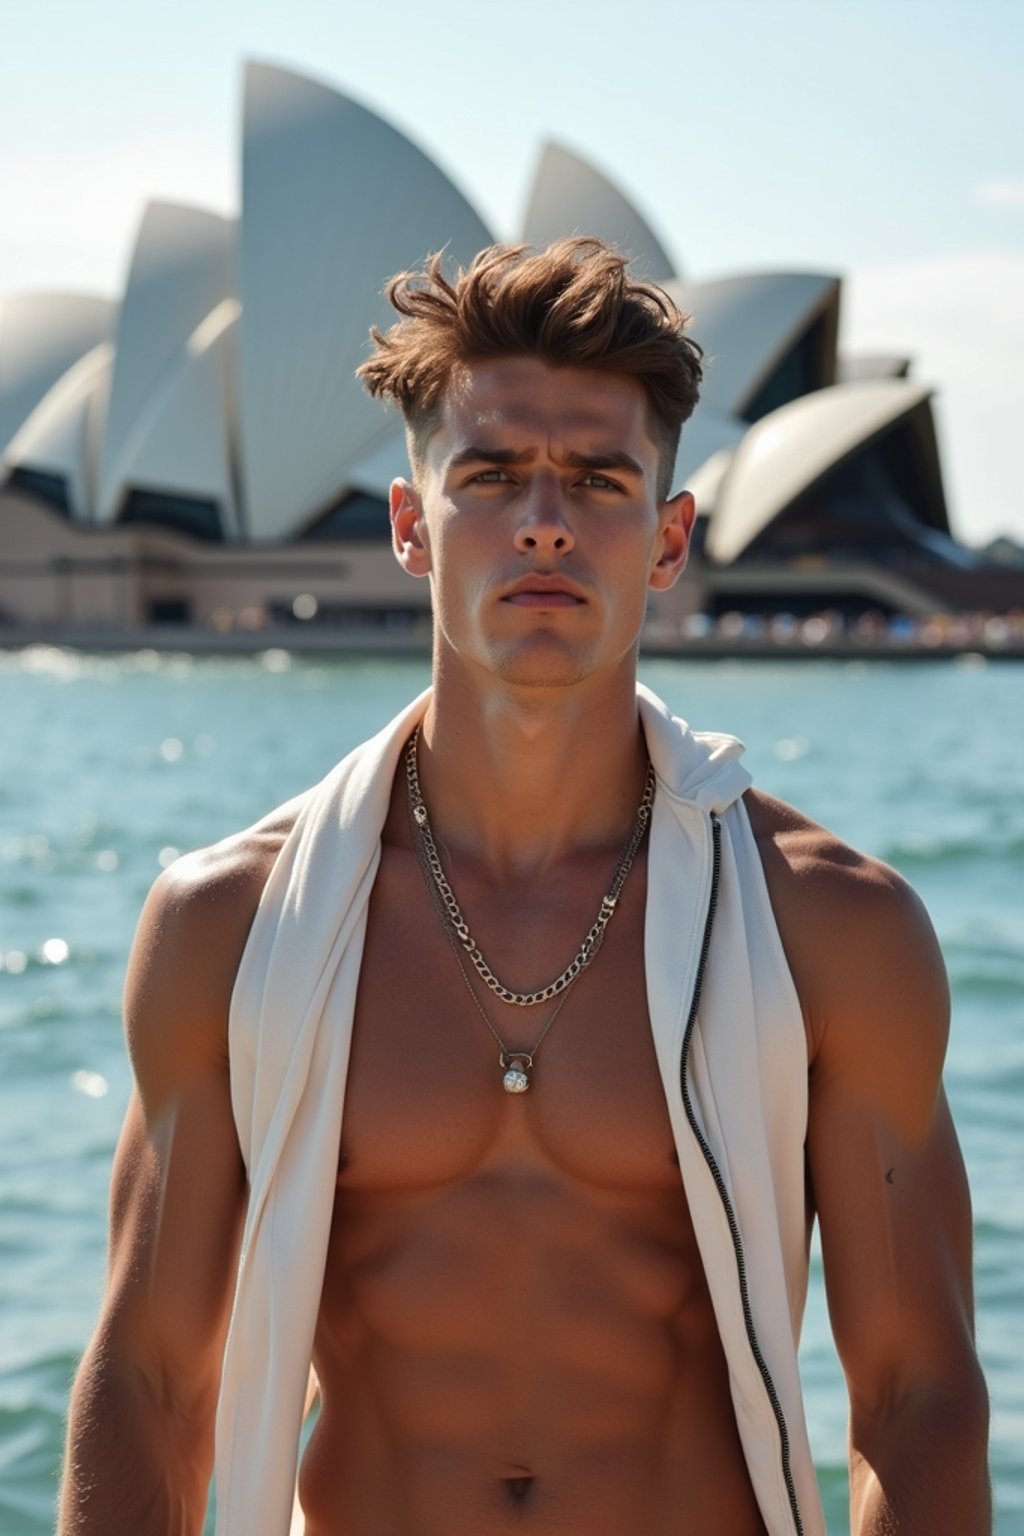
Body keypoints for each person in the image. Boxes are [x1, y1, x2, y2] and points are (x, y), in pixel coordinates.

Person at [58, 238, 989, 1536]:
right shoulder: (232, 922)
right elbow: (153, 1386)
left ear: (669, 542)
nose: (545, 518)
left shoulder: (832, 925)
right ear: (408, 526)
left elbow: (915, 1394)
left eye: (599, 480)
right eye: (491, 475)